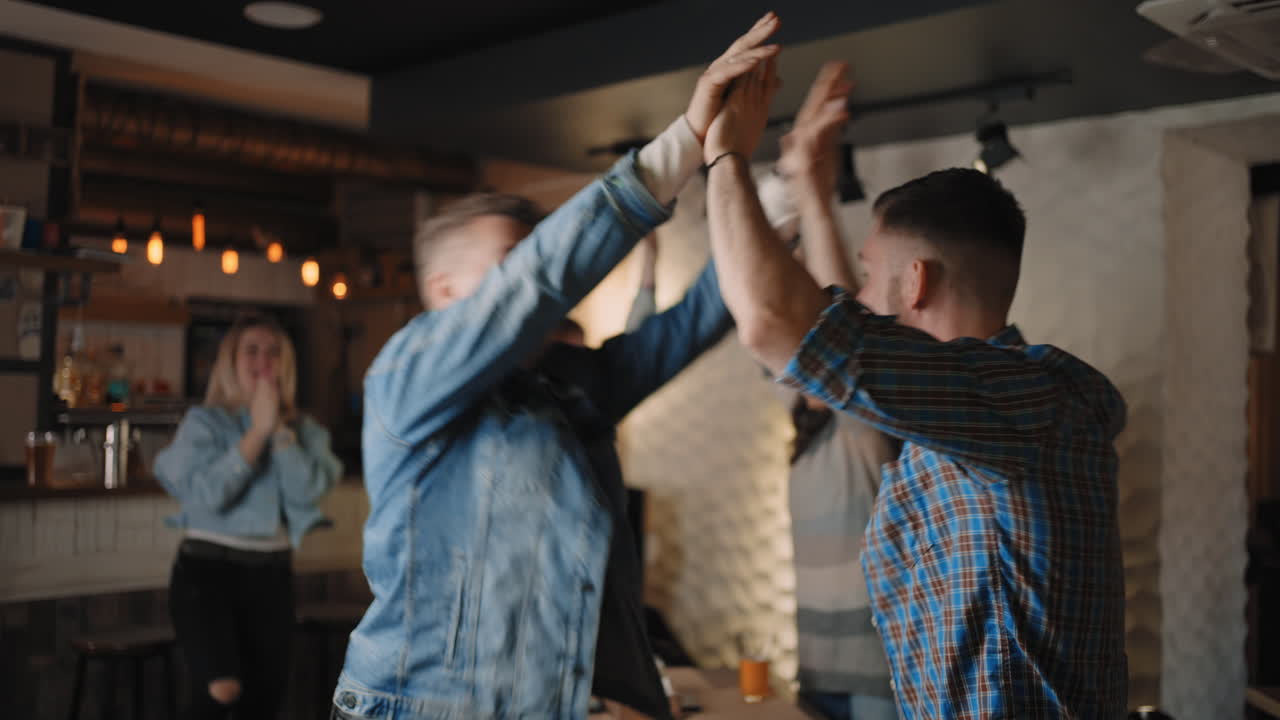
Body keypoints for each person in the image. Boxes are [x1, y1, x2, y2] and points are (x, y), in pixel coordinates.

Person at [332, 14, 782, 720]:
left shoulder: (563, 385)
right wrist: (685, 141)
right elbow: (535, 286)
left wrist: (772, 183)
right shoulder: (406, 374)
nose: (539, 291)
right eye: (508, 265)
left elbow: (696, 319)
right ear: (444, 294)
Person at [701, 43, 1128, 719]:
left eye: (870, 276)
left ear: (917, 281)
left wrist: (723, 153)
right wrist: (803, 180)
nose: (855, 294)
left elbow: (775, 321)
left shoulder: (1029, 400)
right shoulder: (961, 418)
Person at [768, 63, 897, 720]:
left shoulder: (862, 424)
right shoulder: (807, 432)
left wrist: (813, 191)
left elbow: (838, 317)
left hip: (882, 677)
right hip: (816, 670)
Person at [154, 312, 343, 719]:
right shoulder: (204, 423)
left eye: (275, 352)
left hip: (272, 576)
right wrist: (255, 433)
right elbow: (208, 497)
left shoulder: (305, 431)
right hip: (206, 573)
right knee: (221, 691)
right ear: (231, 362)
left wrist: (276, 431)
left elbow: (308, 493)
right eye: (252, 351)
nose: (264, 361)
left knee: (262, 704)